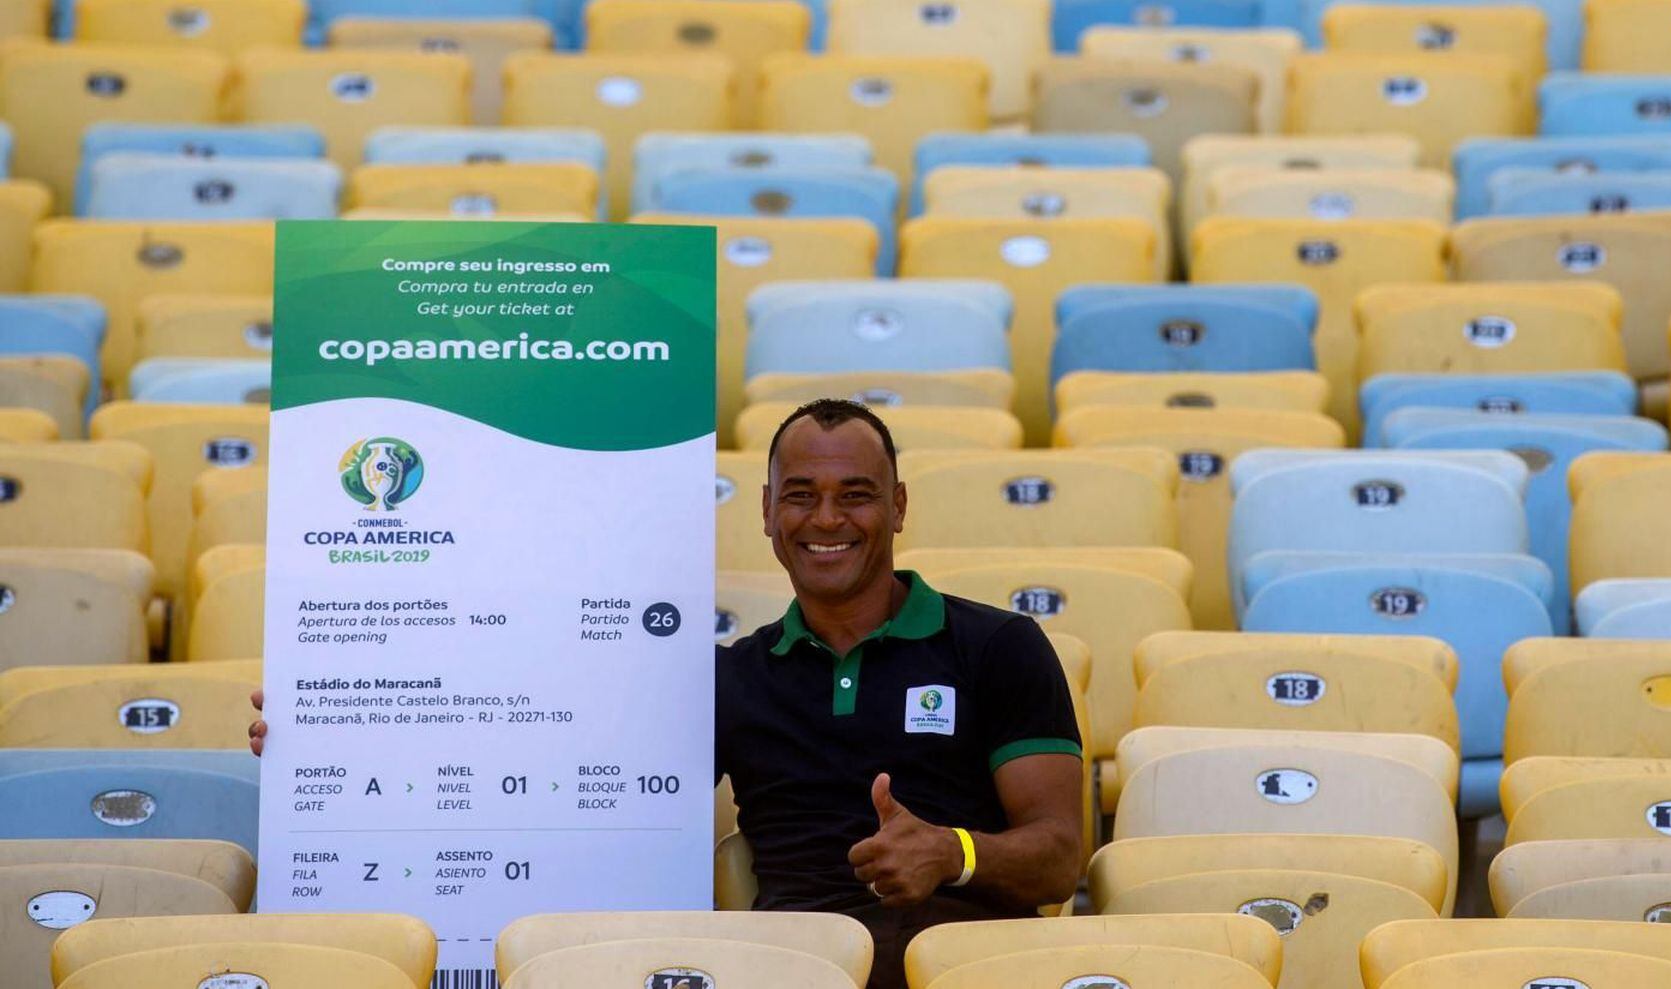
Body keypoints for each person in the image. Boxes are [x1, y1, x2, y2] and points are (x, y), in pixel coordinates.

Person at [252, 399, 1085, 989]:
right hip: (788, 969)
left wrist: (953, 851)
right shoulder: (729, 677)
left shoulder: (998, 646)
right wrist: (327, 733)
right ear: (768, 511)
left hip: (967, 961)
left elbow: (1058, 855)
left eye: (855, 494)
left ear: (897, 507)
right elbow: (537, 756)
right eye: (801, 494)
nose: (826, 518)